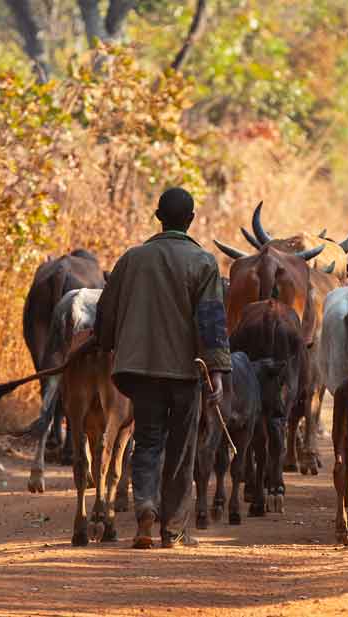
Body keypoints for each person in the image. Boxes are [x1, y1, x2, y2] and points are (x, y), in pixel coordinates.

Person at [95, 187, 229, 549]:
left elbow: (105, 311)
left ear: (158, 218)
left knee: (148, 440)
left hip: (140, 372)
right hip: (186, 373)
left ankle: (145, 511)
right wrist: (217, 371)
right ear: (190, 220)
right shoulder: (203, 263)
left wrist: (107, 346)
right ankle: (173, 528)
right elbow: (212, 321)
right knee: (181, 448)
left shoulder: (132, 259)